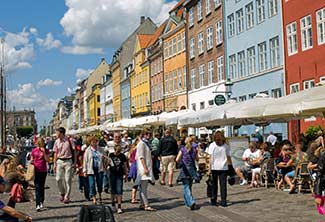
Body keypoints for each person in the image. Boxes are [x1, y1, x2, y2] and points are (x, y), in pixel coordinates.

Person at [206, 131, 233, 207]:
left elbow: (210, 158)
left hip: (214, 167)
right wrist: (231, 166)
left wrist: (209, 169)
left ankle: (213, 200)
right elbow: (229, 158)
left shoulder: (212, 145)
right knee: (223, 185)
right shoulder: (226, 146)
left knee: (214, 185)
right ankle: (223, 201)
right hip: (224, 168)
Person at [53, 127, 76, 204]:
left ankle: (67, 196)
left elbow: (74, 151)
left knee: (68, 179)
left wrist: (75, 162)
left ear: (61, 133)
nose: (56, 134)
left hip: (68, 161)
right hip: (59, 160)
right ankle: (62, 192)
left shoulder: (70, 140)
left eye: (57, 132)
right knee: (58, 179)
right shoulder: (56, 141)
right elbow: (55, 153)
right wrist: (54, 164)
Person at [176, 136, 200, 210]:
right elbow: (197, 159)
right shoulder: (194, 150)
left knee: (186, 186)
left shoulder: (183, 149)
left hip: (185, 169)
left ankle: (191, 201)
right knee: (189, 186)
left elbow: (177, 159)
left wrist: (181, 162)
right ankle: (187, 202)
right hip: (192, 169)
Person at [135, 128, 156, 211]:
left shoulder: (147, 143)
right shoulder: (142, 144)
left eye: (150, 134)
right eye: (147, 134)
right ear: (143, 134)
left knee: (142, 187)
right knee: (144, 187)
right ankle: (146, 205)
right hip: (143, 168)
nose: (148, 135)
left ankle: (142, 204)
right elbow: (141, 157)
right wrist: (145, 168)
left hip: (146, 166)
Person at [83, 136, 105, 205]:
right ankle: (94, 198)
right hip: (90, 169)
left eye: (95, 141)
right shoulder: (88, 150)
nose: (94, 143)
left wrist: (106, 165)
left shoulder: (101, 149)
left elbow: (104, 158)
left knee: (100, 183)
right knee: (91, 184)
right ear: (90, 143)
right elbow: (85, 161)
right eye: (93, 142)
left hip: (99, 168)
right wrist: (84, 170)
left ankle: (100, 195)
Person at [31, 138, 50, 211]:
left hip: (43, 170)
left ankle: (41, 201)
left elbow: (47, 160)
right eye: (39, 143)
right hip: (36, 170)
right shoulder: (34, 151)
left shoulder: (46, 150)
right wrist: (32, 161)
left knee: (42, 186)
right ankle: (37, 203)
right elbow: (32, 160)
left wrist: (44, 152)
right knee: (37, 186)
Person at [108, 144, 128, 214]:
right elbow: (107, 164)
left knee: (119, 190)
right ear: (114, 149)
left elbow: (125, 166)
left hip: (119, 175)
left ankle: (119, 207)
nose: (117, 153)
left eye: (119, 151)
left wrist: (126, 175)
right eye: (116, 151)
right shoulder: (111, 155)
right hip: (112, 174)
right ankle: (113, 205)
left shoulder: (122, 156)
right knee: (113, 190)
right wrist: (106, 161)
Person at [128, 137, 141, 204]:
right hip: (137, 166)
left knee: (135, 183)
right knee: (137, 184)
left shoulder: (132, 149)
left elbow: (129, 159)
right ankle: (133, 198)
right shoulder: (138, 149)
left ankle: (134, 198)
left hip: (133, 166)